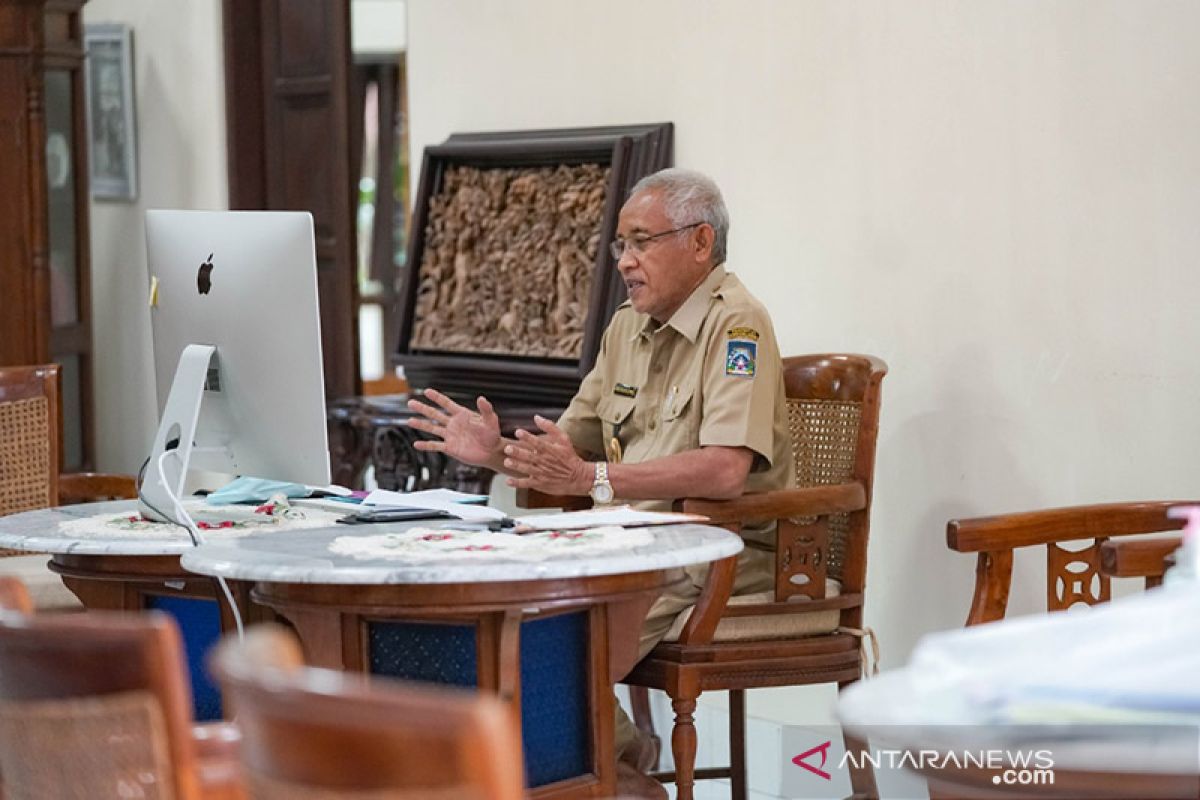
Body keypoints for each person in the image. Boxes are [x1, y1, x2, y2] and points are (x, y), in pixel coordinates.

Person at [407, 167, 793, 799]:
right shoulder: (626, 328)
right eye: (621, 245)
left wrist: (596, 479)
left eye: (642, 242)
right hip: (625, 539)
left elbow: (725, 470)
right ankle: (623, 763)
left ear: (700, 243)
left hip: (714, 550)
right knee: (493, 615)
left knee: (549, 649)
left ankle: (617, 780)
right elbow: (569, 449)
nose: (625, 262)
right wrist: (497, 452)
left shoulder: (738, 326)